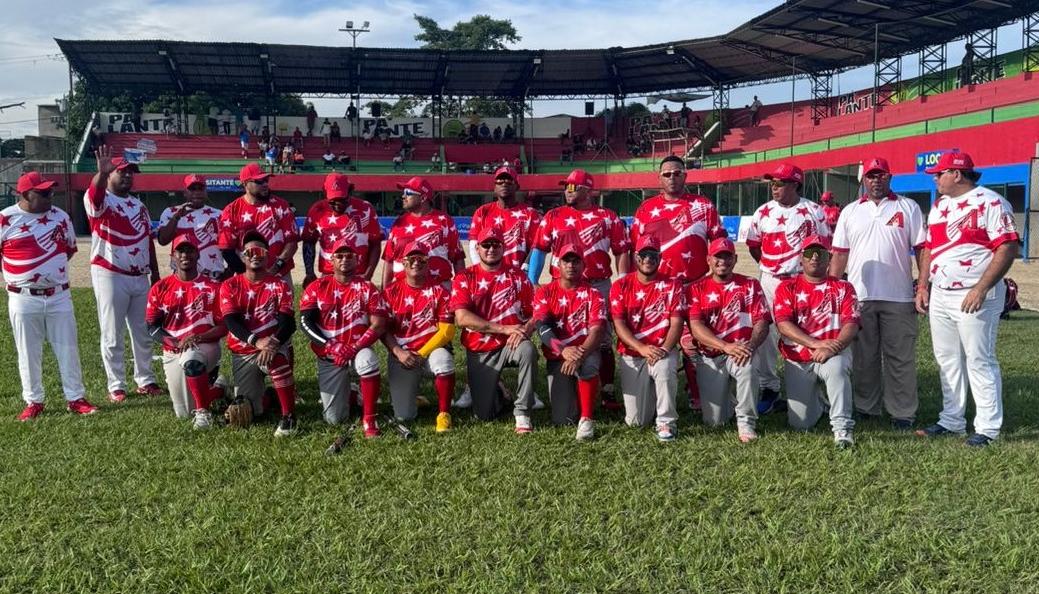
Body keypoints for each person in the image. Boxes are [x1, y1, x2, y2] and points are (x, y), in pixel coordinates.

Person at [915, 151, 1020, 447]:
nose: (935, 179)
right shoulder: (940, 205)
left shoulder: (991, 202)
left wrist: (982, 288)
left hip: (974, 292)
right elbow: (929, 248)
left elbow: (1008, 246)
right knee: (947, 358)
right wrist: (923, 285)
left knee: (979, 358)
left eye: (939, 173)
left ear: (957, 174)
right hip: (941, 292)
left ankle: (987, 427)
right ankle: (952, 419)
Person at [828, 157, 925, 430]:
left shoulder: (908, 207)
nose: (876, 180)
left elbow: (921, 249)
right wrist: (832, 291)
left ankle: (903, 412)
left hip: (899, 297)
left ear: (890, 177)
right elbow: (839, 254)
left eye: (881, 174)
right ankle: (866, 407)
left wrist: (923, 284)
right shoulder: (849, 211)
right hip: (860, 297)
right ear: (864, 179)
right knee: (864, 357)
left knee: (900, 357)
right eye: (871, 175)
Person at [630, 155, 726, 412]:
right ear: (658, 178)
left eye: (677, 173)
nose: (672, 177)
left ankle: (700, 396)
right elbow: (635, 251)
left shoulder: (703, 206)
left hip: (695, 285)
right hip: (659, 289)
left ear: (685, 175)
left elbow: (718, 245)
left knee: (696, 342)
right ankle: (655, 390)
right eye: (666, 174)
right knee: (663, 338)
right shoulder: (646, 209)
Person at [530, 169, 630, 408]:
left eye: (573, 187)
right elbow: (538, 249)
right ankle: (565, 377)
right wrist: (532, 281)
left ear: (588, 190)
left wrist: (624, 281)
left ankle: (606, 389)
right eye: (566, 187)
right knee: (560, 333)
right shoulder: (553, 216)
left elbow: (621, 250)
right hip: (561, 287)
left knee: (603, 338)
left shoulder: (607, 216)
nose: (567, 191)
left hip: (597, 284)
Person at [2, 171, 97, 420]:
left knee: (68, 348)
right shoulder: (5, 219)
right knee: (28, 350)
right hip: (22, 296)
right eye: (43, 193)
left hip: (58, 294)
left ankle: (75, 397)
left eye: (51, 192)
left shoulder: (60, 217)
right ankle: (34, 400)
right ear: (24, 194)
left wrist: (46, 272)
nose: (49, 197)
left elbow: (68, 250)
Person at [745, 162, 830, 414]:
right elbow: (754, 246)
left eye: (780, 183)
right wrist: (771, 264)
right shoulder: (762, 212)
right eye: (772, 183)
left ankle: (812, 384)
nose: (774, 187)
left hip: (803, 280)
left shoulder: (814, 211)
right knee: (766, 335)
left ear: (795, 184)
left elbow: (825, 248)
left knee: (806, 331)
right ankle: (769, 387)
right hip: (771, 278)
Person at [84, 146, 162, 403]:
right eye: (122, 172)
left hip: (139, 275)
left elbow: (147, 240)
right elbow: (95, 195)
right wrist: (100, 175)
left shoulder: (139, 205)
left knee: (143, 331)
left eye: (131, 173)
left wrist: (155, 273)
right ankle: (116, 385)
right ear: (109, 174)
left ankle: (146, 379)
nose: (128, 176)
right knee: (112, 332)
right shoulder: (101, 199)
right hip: (110, 272)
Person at [773, 235, 860, 449]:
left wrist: (835, 347)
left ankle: (842, 429)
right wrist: (815, 344)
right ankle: (821, 404)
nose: (814, 258)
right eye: (809, 254)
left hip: (833, 353)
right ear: (800, 259)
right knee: (800, 423)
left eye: (820, 254)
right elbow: (783, 325)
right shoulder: (786, 287)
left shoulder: (844, 287)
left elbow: (852, 324)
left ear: (829, 258)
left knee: (837, 368)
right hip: (798, 356)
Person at [450, 227, 538, 432]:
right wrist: (504, 329)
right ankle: (499, 390)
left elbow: (536, 312)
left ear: (504, 248)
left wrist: (525, 329)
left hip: (511, 344)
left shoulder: (517, 276)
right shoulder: (465, 277)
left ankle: (523, 412)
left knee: (527, 351)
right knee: (483, 415)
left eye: (496, 245)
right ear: (478, 249)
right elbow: (462, 319)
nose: (491, 249)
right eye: (486, 245)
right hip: (480, 347)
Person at [300, 236, 388, 435]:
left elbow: (379, 324)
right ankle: (353, 394)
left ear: (357, 260)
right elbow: (305, 323)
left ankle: (370, 419)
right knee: (334, 419)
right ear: (331, 260)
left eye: (349, 256)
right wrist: (332, 346)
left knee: (369, 360)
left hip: (357, 350)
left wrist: (353, 348)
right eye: (339, 256)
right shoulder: (317, 287)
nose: (344, 259)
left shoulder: (367, 288)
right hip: (330, 355)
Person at [687, 237, 770, 443]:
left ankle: (746, 421)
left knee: (748, 366)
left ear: (735, 258)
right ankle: (731, 401)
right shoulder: (697, 288)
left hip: (741, 351)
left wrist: (750, 346)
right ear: (708, 260)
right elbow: (696, 328)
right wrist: (725, 346)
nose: (722, 261)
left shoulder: (750, 284)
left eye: (727, 256)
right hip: (711, 355)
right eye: (717, 256)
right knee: (715, 421)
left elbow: (762, 322)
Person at [219, 232, 299, 436]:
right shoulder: (230, 285)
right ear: (243, 256)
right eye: (250, 252)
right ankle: (270, 397)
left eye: (260, 251)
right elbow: (231, 322)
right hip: (244, 351)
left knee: (277, 360)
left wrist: (271, 343)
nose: (255, 255)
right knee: (250, 412)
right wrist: (256, 341)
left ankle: (289, 416)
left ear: (267, 255)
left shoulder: (279, 285)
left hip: (272, 346)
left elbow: (288, 323)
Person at [145, 234, 227, 429]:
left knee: (191, 358)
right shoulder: (161, 287)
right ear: (173, 256)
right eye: (180, 251)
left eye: (190, 250)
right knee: (183, 413)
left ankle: (203, 414)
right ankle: (219, 389)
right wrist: (174, 342)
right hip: (174, 349)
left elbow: (224, 326)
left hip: (205, 346)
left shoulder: (213, 287)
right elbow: (151, 326)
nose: (185, 255)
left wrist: (198, 337)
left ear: (198, 255)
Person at [611, 235, 685, 442]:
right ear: (636, 257)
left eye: (653, 255)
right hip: (633, 353)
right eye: (644, 254)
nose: (648, 259)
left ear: (659, 258)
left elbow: (677, 323)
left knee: (664, 367)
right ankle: (651, 395)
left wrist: (665, 348)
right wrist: (641, 348)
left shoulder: (672, 284)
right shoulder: (621, 285)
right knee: (636, 421)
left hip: (662, 349)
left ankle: (666, 422)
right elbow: (619, 324)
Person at [382, 242, 457, 433]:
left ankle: (444, 414)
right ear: (403, 264)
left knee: (444, 360)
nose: (416, 263)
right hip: (402, 355)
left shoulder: (440, 291)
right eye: (411, 259)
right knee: (404, 416)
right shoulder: (390, 292)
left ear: (428, 263)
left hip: (430, 352)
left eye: (421, 259)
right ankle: (412, 396)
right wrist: (399, 352)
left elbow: (447, 332)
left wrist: (421, 353)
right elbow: (382, 330)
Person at [533, 245, 605, 440]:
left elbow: (597, 331)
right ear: (558, 264)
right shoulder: (545, 292)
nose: (571, 265)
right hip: (559, 356)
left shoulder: (594, 294)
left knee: (589, 365)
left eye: (576, 261)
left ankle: (587, 418)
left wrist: (579, 354)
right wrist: (563, 350)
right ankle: (579, 394)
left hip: (585, 352)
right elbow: (542, 327)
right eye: (566, 261)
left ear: (583, 265)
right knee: (562, 419)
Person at [218, 163, 298, 281]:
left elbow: (292, 242)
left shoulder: (281, 206)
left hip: (279, 274)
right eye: (259, 182)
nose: (265, 184)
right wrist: (247, 274)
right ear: (245, 183)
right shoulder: (231, 210)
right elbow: (227, 249)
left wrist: (275, 268)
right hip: (245, 277)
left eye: (266, 180)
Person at [301, 173, 382, 289]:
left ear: (350, 192)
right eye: (332, 201)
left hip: (358, 275)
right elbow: (309, 241)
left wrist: (368, 274)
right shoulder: (317, 210)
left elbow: (375, 243)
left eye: (342, 200)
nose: (337, 205)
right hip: (328, 275)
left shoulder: (366, 209)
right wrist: (309, 272)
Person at [381, 176, 464, 289]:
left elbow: (458, 258)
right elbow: (389, 261)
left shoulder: (444, 221)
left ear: (423, 197)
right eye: (403, 192)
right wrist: (384, 292)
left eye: (408, 192)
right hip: (402, 295)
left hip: (439, 294)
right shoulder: (398, 223)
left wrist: (461, 290)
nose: (403, 196)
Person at [468, 167, 542, 271]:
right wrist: (482, 270)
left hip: (518, 274)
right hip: (489, 274)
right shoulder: (482, 212)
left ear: (517, 186)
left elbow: (536, 246)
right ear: (494, 187)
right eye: (499, 181)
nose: (504, 184)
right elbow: (473, 245)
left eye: (509, 180)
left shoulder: (530, 213)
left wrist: (525, 269)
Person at [156, 174, 224, 280]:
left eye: (200, 189)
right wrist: (176, 218)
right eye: (192, 189)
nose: (197, 192)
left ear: (206, 192)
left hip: (212, 278)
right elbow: (162, 240)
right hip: (182, 279)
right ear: (185, 192)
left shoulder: (219, 215)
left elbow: (228, 246)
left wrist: (230, 271)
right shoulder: (171, 212)